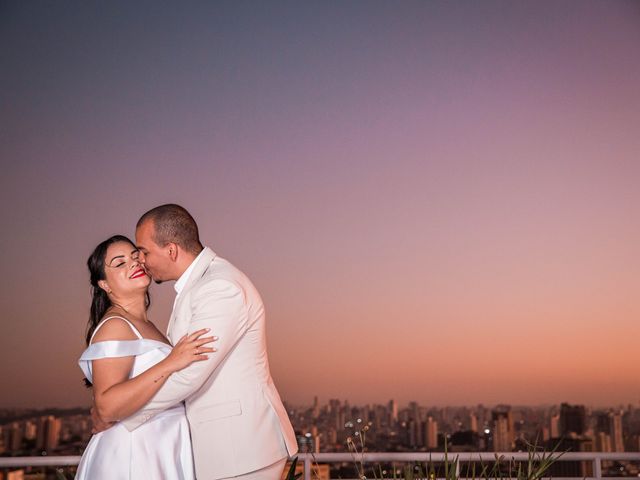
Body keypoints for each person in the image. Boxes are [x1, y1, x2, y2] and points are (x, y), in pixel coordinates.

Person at [93, 204, 298, 480]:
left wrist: (120, 416)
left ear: (171, 250)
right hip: (220, 449)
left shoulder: (218, 287)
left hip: (239, 449)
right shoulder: (199, 286)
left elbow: (191, 373)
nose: (141, 261)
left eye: (143, 252)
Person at [76, 235, 216, 479]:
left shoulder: (145, 324)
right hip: (134, 452)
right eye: (119, 264)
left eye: (135, 256)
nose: (133, 264)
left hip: (162, 445)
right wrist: (170, 363)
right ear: (105, 285)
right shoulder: (115, 325)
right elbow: (106, 407)